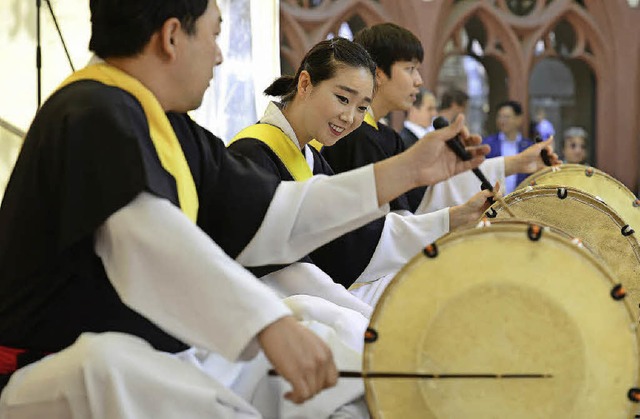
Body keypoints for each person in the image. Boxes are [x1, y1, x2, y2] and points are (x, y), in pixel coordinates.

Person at [0, 2, 488, 418]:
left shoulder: (168, 127)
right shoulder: (88, 112)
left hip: (157, 347)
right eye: (214, 34)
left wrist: (408, 170)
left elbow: (275, 210)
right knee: (109, 366)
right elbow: (150, 243)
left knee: (342, 370)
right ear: (172, 36)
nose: (217, 55)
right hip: (50, 365)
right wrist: (266, 326)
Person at [228, 38, 491, 306]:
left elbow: (358, 236)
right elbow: (285, 275)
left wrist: (451, 220)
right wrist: (365, 319)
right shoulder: (252, 153)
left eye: (362, 107)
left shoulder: (310, 158)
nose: (350, 116)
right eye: (343, 99)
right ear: (305, 84)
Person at [321, 23, 557, 217]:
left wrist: (518, 163)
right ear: (379, 74)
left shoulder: (386, 136)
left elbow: (423, 196)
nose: (419, 81)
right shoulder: (353, 136)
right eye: (410, 69)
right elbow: (383, 229)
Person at [482, 100, 535, 193]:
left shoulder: (529, 146)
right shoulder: (487, 144)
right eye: (499, 117)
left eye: (506, 117)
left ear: (519, 119)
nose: (502, 121)